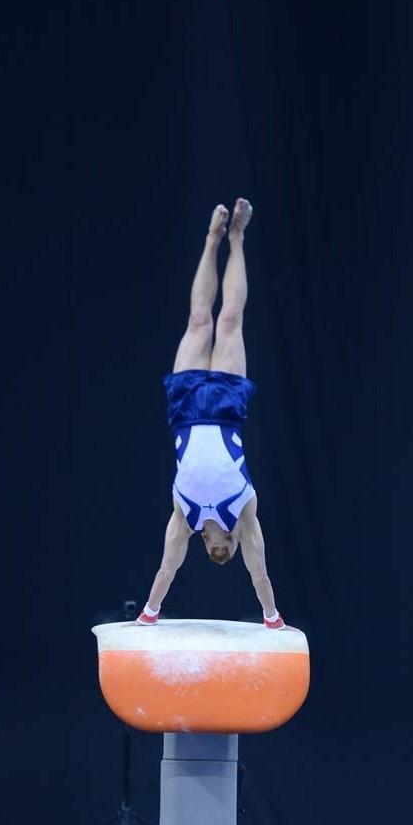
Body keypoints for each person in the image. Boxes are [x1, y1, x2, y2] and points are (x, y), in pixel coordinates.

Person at [137, 198, 285, 629]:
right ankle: (233, 238)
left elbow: (168, 571)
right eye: (234, 546)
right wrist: (272, 618)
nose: (226, 545)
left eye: (219, 547)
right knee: (230, 321)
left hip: (186, 410)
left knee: (201, 321)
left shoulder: (183, 516)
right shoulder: (245, 509)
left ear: (208, 540)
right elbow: (259, 572)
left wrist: (149, 614)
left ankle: (211, 240)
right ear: (237, 539)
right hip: (223, 411)